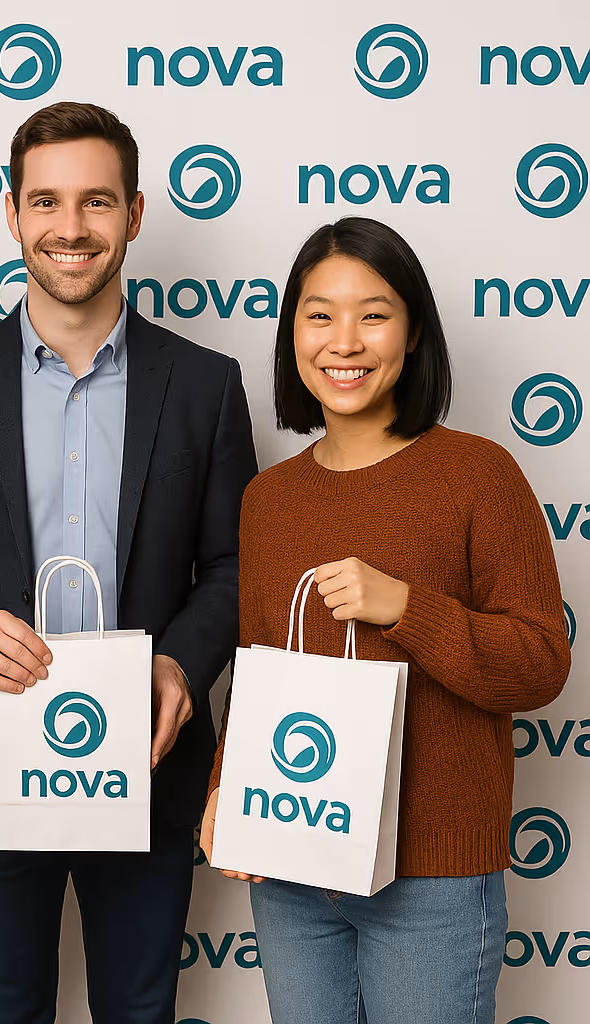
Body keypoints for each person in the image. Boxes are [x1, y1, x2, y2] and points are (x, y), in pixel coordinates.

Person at [0, 100, 256, 1024]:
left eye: (97, 202)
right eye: (47, 202)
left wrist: (180, 661)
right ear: (13, 215)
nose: (71, 228)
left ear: (134, 215)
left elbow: (231, 564)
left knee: (140, 1012)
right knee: (7, 1011)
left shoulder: (207, 382)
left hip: (146, 754)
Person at [198, 216, 571, 1024]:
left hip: (431, 876)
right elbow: (260, 666)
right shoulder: (269, 500)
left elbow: (541, 663)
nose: (345, 341)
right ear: (292, 332)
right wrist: (228, 782)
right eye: (319, 314)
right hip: (295, 861)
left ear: (413, 334)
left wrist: (408, 607)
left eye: (374, 314)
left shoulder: (479, 474)